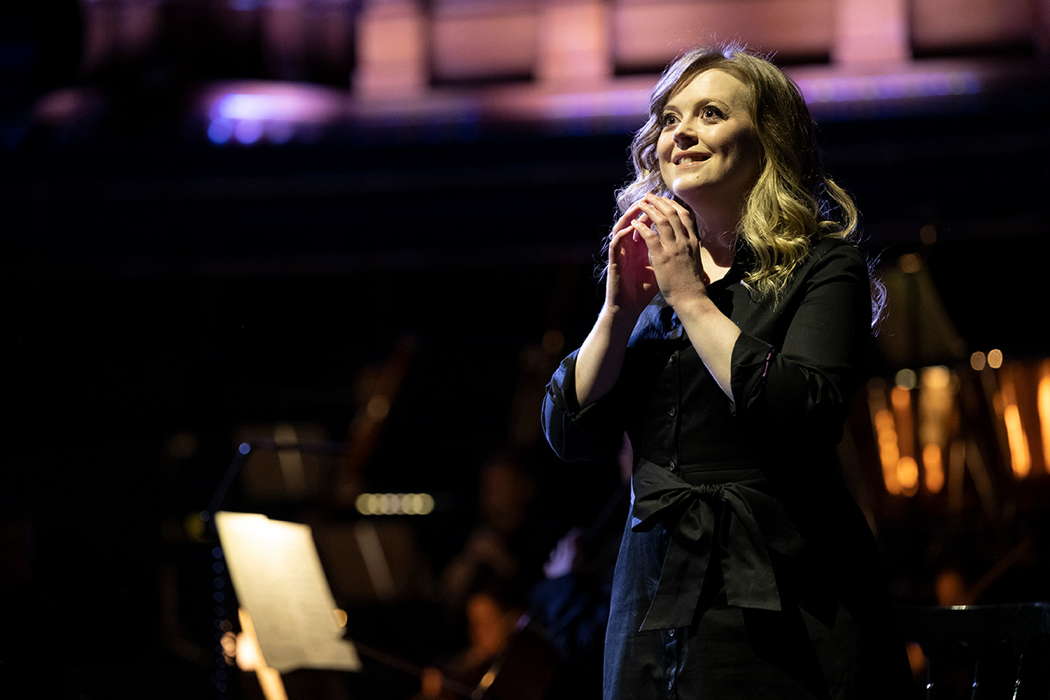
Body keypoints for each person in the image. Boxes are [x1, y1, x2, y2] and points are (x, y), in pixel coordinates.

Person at [540, 45, 918, 699]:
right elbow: (568, 434)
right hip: (654, 591)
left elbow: (800, 413)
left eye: (709, 114)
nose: (679, 133)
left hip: (785, 589)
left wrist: (689, 298)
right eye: (669, 119)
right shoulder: (645, 282)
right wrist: (619, 311)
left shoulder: (823, 266)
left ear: (767, 140)